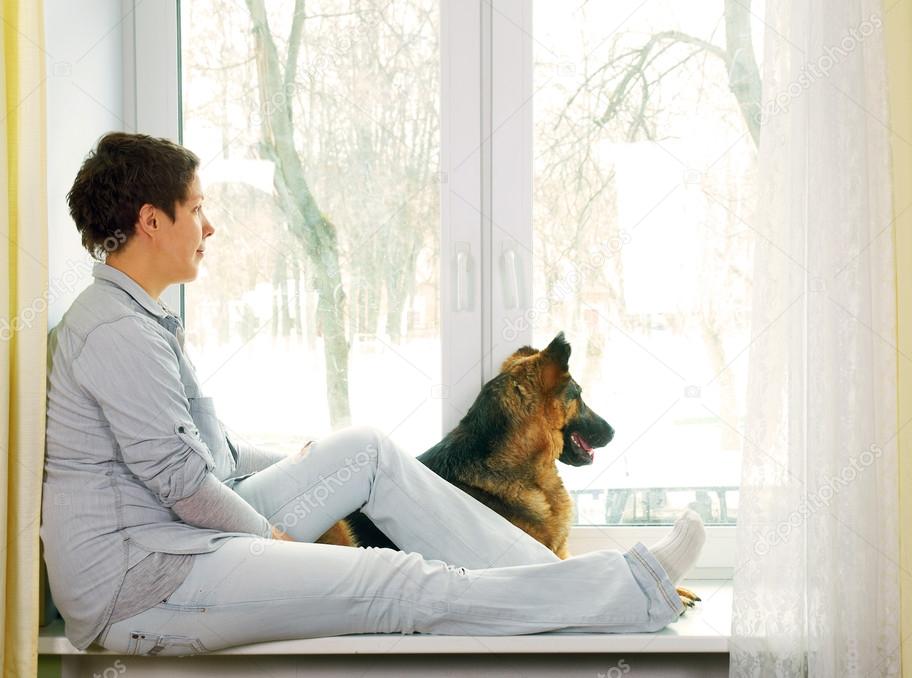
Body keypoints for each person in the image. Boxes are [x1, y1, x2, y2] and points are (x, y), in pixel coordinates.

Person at [39, 132, 707, 656]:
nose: (209, 228)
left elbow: (211, 453)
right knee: (397, 583)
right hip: (146, 586)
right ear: (152, 221)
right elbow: (183, 482)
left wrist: (298, 462)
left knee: (364, 452)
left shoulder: (140, 318)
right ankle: (629, 592)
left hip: (181, 543)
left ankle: (585, 588)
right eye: (198, 210)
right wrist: (269, 536)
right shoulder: (114, 334)